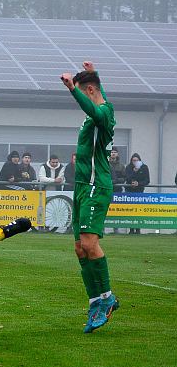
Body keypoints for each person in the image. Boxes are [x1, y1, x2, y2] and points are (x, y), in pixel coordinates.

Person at [61, 60, 119, 333]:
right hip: (82, 186)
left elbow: (94, 105)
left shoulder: (103, 113)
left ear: (90, 90)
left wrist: (73, 90)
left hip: (97, 185)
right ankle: (95, 300)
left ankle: (107, 299)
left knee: (89, 243)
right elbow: (98, 96)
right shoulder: (100, 104)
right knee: (78, 247)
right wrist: (94, 73)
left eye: (85, 93)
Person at [125, 153, 150, 234]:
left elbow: (147, 180)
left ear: (140, 160)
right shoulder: (129, 167)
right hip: (129, 191)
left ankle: (138, 229)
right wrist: (134, 172)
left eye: (136, 160)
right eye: (133, 160)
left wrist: (138, 183)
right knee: (130, 211)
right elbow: (127, 178)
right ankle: (131, 229)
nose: (135, 162)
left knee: (139, 210)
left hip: (139, 191)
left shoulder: (144, 167)